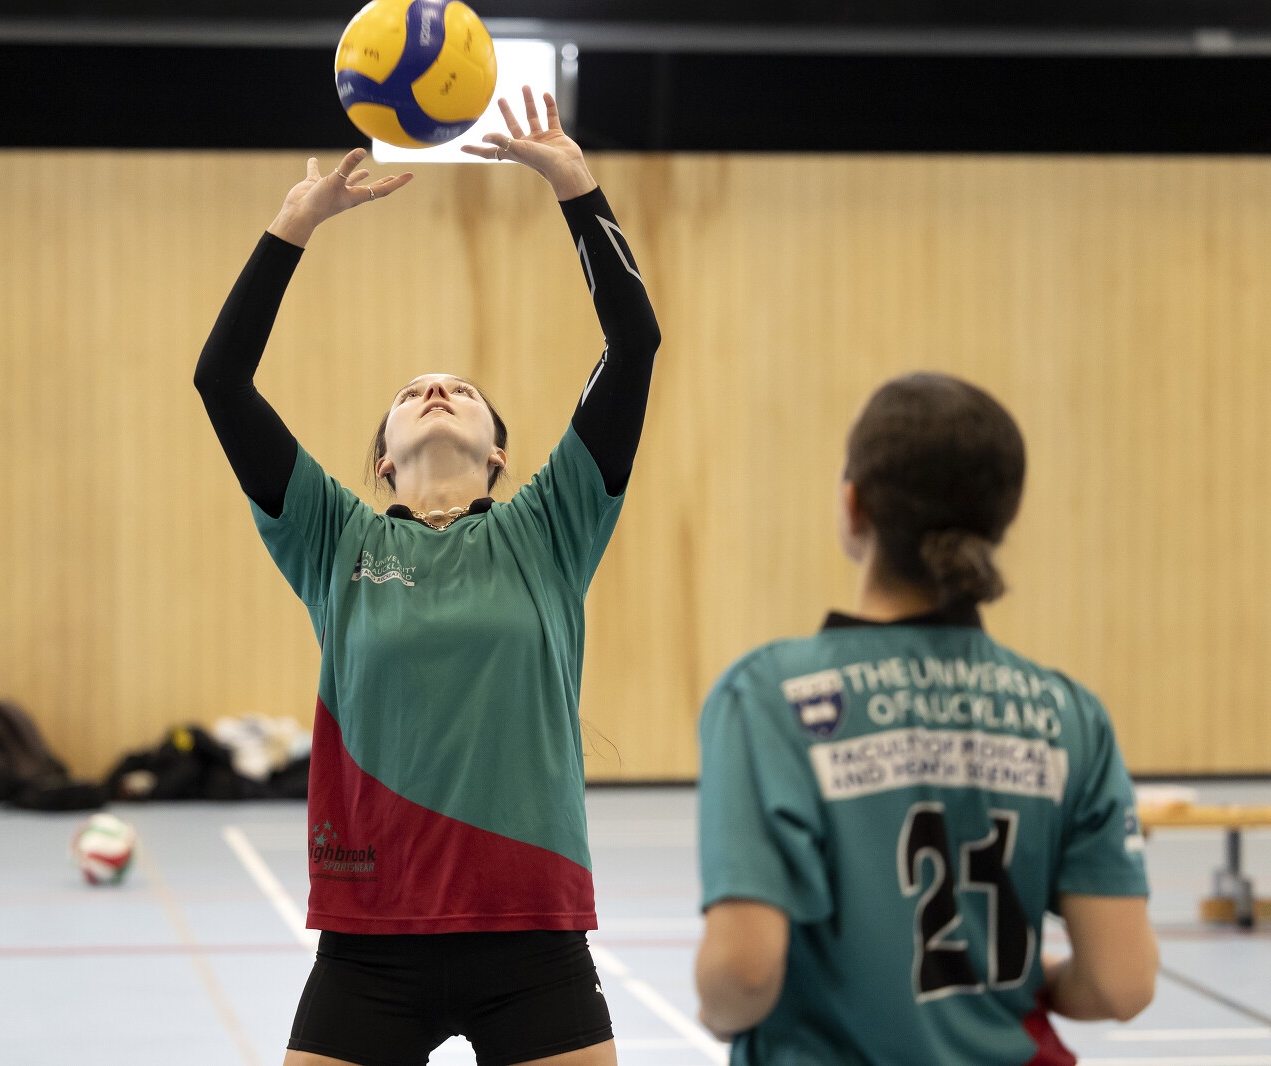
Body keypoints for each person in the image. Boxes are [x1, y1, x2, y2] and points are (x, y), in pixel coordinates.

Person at [194, 87, 660, 1066]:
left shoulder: (552, 525)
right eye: (412, 393)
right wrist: (291, 228)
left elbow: (634, 343)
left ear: (498, 453)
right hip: (369, 940)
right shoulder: (331, 536)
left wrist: (574, 185)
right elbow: (221, 381)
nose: (436, 389)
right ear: (382, 459)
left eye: (460, 391)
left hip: (532, 933)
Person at [695, 373, 1158, 1065]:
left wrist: (717, 1009)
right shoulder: (1070, 715)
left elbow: (743, 972)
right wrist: (1021, 983)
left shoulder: (767, 696)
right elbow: (1122, 983)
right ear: (999, 524)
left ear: (854, 506)